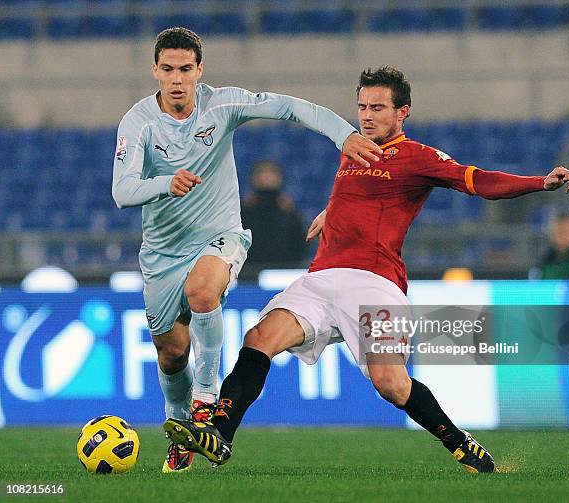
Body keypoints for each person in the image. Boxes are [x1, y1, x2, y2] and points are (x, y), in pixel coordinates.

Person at [163, 66, 569, 473]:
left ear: (402, 113)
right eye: (362, 106)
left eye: (377, 107)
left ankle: (456, 439)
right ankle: (220, 433)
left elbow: (479, 181)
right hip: (321, 279)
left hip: (374, 284)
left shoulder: (417, 157)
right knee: (259, 337)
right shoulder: (353, 147)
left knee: (391, 384)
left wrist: (540, 182)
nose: (366, 115)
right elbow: (366, 194)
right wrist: (333, 212)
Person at [111, 27, 382, 473]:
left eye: (185, 69)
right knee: (171, 353)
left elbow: (289, 107)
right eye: (167, 70)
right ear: (154, 71)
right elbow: (122, 191)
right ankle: (179, 426)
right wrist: (166, 184)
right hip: (161, 254)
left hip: (222, 235)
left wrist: (342, 134)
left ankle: (205, 401)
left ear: (200, 70)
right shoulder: (138, 122)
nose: (176, 79)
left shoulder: (223, 105)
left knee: (204, 293)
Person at [241, 161, 307, 266]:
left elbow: (299, 247)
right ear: (253, 178)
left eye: (271, 173)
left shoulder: (290, 216)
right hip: (248, 274)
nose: (267, 177)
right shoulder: (242, 215)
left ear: (279, 178)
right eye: (262, 172)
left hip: (282, 274)